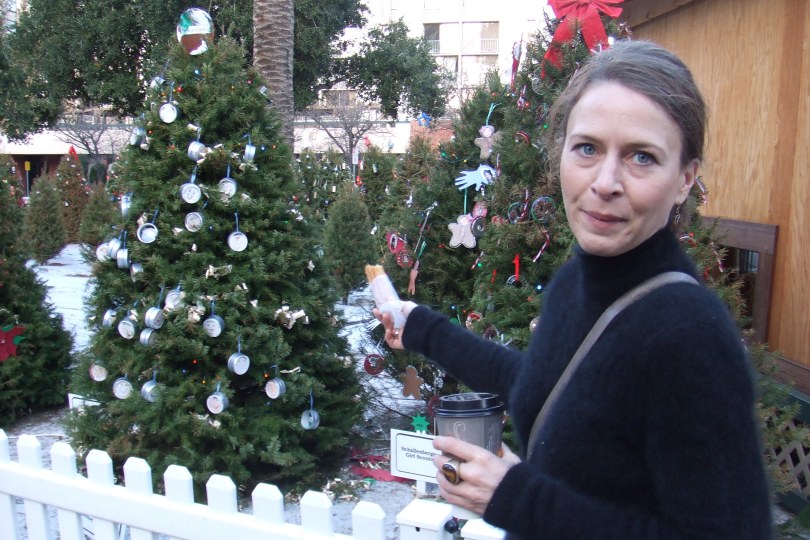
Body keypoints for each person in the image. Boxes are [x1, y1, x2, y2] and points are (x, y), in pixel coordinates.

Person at [374, 40, 773, 539]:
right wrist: (422, 328)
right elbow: (549, 385)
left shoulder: (689, 335)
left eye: (641, 157)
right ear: (561, 153)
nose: (605, 182)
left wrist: (516, 497)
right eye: (588, 148)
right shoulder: (576, 282)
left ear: (685, 179)